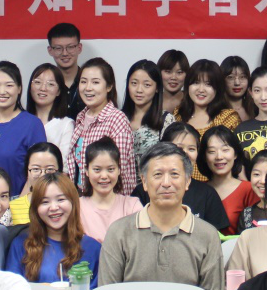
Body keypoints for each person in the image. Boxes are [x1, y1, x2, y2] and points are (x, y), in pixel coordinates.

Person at [98, 142, 224, 290]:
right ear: (144, 182)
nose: (166, 183)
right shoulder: (119, 233)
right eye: (158, 174)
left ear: (187, 181)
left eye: (174, 174)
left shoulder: (207, 236)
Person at [133, 123, 231, 233]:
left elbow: (217, 236)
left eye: (191, 149)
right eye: (179, 148)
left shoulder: (207, 194)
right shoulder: (143, 191)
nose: (185, 153)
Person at [5, 172, 101, 283]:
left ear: (73, 203)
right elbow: (12, 288)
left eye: (60, 199)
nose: (54, 208)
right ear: (35, 208)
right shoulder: (21, 245)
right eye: (45, 202)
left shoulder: (93, 248)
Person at [0, 61, 47, 197]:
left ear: (19, 89)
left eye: (9, 85)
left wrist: (19, 204)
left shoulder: (32, 124)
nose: (2, 91)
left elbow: (40, 172)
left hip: (19, 199)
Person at [69, 58, 137, 194]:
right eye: (83, 81)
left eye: (95, 82)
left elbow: (119, 169)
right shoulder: (81, 117)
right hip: (83, 197)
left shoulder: (117, 120)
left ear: (109, 86)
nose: (88, 88)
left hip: (112, 199)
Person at [78, 136, 144, 242]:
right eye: (97, 169)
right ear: (87, 171)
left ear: (119, 170)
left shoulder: (132, 206)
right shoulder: (77, 207)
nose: (104, 176)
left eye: (110, 169)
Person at [175, 60, 240, 160]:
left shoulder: (228, 118)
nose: (201, 89)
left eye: (208, 84)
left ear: (217, 88)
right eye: (196, 83)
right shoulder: (178, 115)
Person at [200, 126, 258, 234]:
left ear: (235, 154)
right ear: (204, 156)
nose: (219, 157)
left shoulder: (249, 189)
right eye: (212, 151)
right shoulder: (198, 190)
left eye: (225, 150)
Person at [27, 62, 75, 173]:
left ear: (59, 91)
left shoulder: (66, 124)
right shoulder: (21, 120)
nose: (43, 88)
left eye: (50, 84)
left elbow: (64, 167)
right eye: (37, 82)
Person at [122, 59, 170, 170]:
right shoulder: (118, 118)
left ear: (157, 88)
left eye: (147, 85)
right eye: (134, 83)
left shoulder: (165, 120)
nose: (139, 90)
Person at [9, 142, 64, 225]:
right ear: (27, 172)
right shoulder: (12, 208)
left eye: (49, 169)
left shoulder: (67, 205)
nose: (43, 175)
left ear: (60, 171)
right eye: (36, 169)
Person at [46, 23, 85, 119]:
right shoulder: (44, 85)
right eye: (58, 48)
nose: (64, 53)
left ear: (79, 48)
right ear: (50, 50)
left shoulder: (91, 82)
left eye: (70, 47)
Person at [220, 55, 257, 122]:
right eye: (231, 77)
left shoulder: (257, 108)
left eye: (242, 77)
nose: (237, 83)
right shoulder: (216, 111)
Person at [157, 49, 190, 118]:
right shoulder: (151, 101)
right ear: (159, 72)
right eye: (168, 72)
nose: (173, 77)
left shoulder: (193, 101)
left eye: (179, 72)